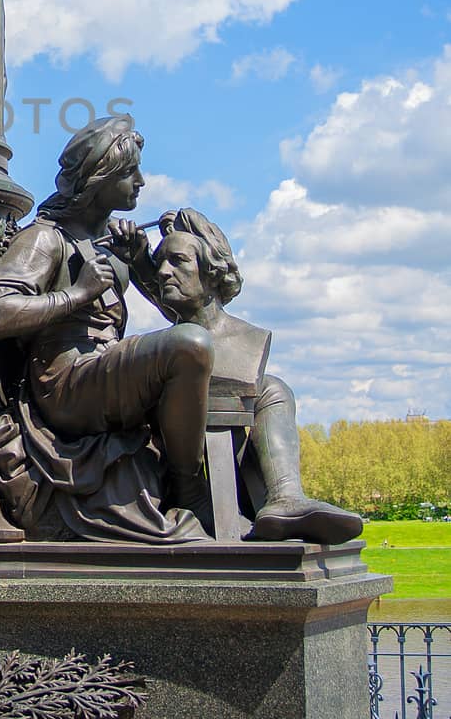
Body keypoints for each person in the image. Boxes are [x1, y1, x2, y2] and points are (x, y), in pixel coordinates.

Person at [0, 116, 213, 542]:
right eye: (129, 172)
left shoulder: (111, 239)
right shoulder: (46, 239)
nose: (141, 180)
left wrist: (139, 262)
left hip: (101, 369)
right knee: (190, 346)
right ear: (99, 179)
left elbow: (180, 314)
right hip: (66, 384)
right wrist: (76, 295)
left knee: (210, 354)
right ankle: (189, 488)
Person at [151, 210, 362, 544]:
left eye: (177, 261)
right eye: (158, 263)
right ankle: (200, 499)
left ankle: (286, 496)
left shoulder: (246, 339)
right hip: (180, 476)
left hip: (230, 449)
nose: (163, 272)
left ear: (212, 273)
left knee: (275, 388)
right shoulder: (160, 350)